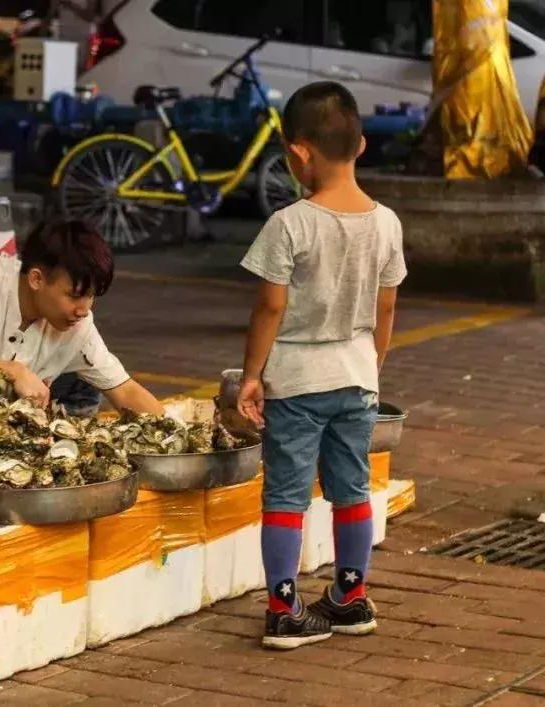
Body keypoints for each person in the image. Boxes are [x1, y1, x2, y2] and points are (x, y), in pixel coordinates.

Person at [235, 82, 406, 650]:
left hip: (296, 381)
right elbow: (386, 307)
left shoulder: (290, 224)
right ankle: (351, 598)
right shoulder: (387, 223)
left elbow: (270, 307)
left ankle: (284, 609)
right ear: (361, 146)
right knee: (352, 490)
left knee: (286, 496)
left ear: (299, 152)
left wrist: (252, 375)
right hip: (357, 377)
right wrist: (372, 362)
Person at [0, 219, 164, 417]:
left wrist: (175, 438)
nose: (83, 309)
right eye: (74, 295)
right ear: (36, 279)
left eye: (91, 296)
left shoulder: (79, 323)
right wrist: (10, 371)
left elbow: (124, 390)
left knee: (85, 383)